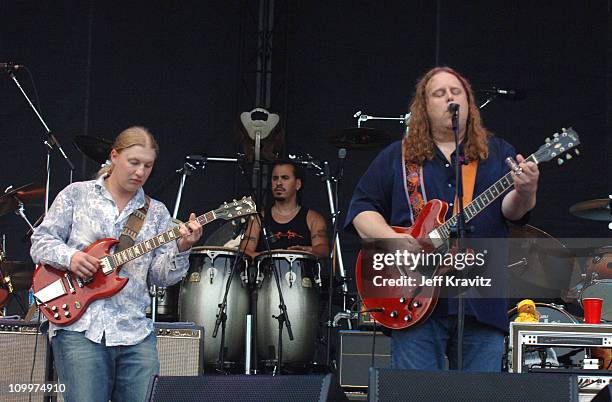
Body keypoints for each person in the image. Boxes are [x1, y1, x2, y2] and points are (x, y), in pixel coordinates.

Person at [345, 66, 539, 372]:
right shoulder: (398, 156)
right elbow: (361, 210)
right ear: (424, 107)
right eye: (439, 93)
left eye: (456, 91)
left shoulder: (498, 153)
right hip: (413, 300)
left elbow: (513, 212)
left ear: (469, 103)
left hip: (481, 301)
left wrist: (526, 190)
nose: (449, 97)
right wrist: (394, 240)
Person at [30, 126, 203, 402]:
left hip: (134, 332)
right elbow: (40, 241)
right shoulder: (77, 195)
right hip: (80, 328)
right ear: (114, 156)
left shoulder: (156, 212)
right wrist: (71, 258)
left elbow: (160, 277)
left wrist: (182, 248)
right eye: (134, 163)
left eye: (147, 165)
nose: (140, 172)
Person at [242, 160, 329, 258]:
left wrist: (308, 250)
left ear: (298, 184)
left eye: (285, 178)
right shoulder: (258, 218)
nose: (278, 182)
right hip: (266, 272)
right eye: (275, 178)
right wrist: (272, 257)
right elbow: (245, 252)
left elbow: (323, 249)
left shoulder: (313, 218)